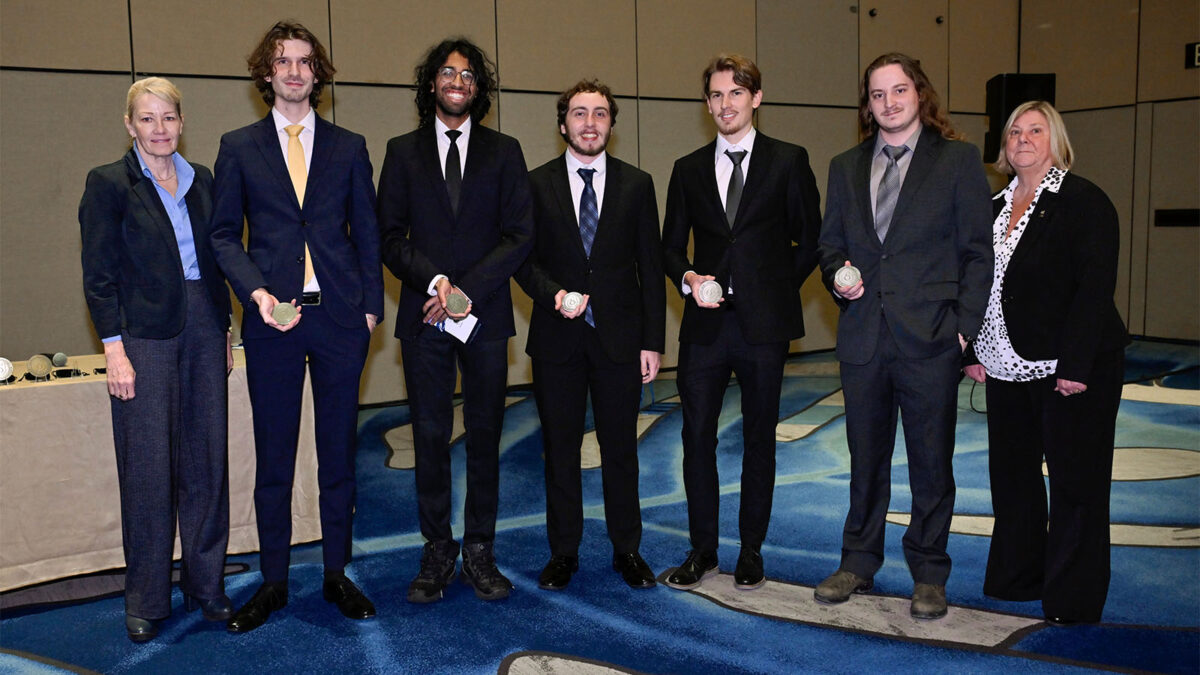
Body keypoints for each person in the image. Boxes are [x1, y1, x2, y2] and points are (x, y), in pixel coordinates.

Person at [209, 20, 383, 632]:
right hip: (271, 322)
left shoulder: (350, 145)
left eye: (304, 61)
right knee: (275, 458)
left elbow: (368, 232)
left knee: (338, 455)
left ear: (318, 74)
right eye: (281, 60)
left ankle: (337, 574)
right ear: (265, 72)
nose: (293, 71)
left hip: (339, 322)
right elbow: (224, 234)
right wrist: (254, 293)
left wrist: (369, 310)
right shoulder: (238, 146)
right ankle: (275, 581)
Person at [814, 53, 993, 620]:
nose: (888, 103)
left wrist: (965, 330)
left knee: (930, 463)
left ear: (919, 94)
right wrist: (837, 273)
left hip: (932, 338)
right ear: (866, 104)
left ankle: (929, 571)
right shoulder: (844, 166)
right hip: (864, 337)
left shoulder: (958, 160)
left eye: (898, 91)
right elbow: (829, 244)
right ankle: (858, 562)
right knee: (865, 460)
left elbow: (977, 254)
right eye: (877, 94)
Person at [377, 38, 533, 603]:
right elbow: (389, 237)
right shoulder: (401, 151)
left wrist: (465, 290)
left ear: (478, 88)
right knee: (429, 436)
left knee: (486, 437)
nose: (458, 81)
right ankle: (438, 548)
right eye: (448, 72)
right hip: (425, 318)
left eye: (468, 75)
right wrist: (439, 284)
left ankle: (480, 550)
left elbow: (520, 236)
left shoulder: (505, 151)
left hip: (486, 319)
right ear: (432, 83)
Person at [80, 77, 233, 642]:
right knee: (148, 468)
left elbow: (218, 262)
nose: (160, 129)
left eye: (168, 117)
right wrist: (113, 349)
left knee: (206, 460)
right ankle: (146, 597)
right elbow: (98, 276)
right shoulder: (108, 184)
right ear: (129, 125)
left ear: (181, 122)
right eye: (147, 119)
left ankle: (206, 583)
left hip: (203, 325)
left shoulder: (203, 181)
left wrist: (222, 329)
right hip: (142, 335)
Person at [963, 100, 1128, 625]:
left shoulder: (1084, 201)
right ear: (1004, 146)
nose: (1023, 138)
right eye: (1014, 131)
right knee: (1012, 479)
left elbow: (1094, 288)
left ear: (1055, 141)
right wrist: (972, 351)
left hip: (1072, 368)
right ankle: (1018, 578)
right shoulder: (990, 206)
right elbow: (975, 285)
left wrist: (1076, 365)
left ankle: (1072, 599)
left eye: (1036, 129)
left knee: (1076, 483)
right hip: (1003, 365)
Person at [661, 54, 821, 591]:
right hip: (704, 330)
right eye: (715, 95)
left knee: (759, 440)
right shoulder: (686, 169)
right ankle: (702, 550)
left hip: (763, 328)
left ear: (756, 98)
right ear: (706, 104)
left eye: (735, 93)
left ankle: (751, 549)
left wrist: (772, 292)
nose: (725, 104)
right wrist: (687, 278)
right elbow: (668, 248)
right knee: (696, 440)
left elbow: (810, 240)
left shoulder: (788, 160)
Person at [514, 79, 665, 591]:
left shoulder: (638, 184)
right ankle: (564, 552)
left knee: (621, 449)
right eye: (579, 114)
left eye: (600, 114)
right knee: (560, 450)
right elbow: (523, 261)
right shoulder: (535, 184)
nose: (590, 123)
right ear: (563, 125)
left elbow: (650, 267)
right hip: (557, 341)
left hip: (620, 342)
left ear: (611, 125)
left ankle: (628, 549)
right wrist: (554, 295)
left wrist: (653, 341)